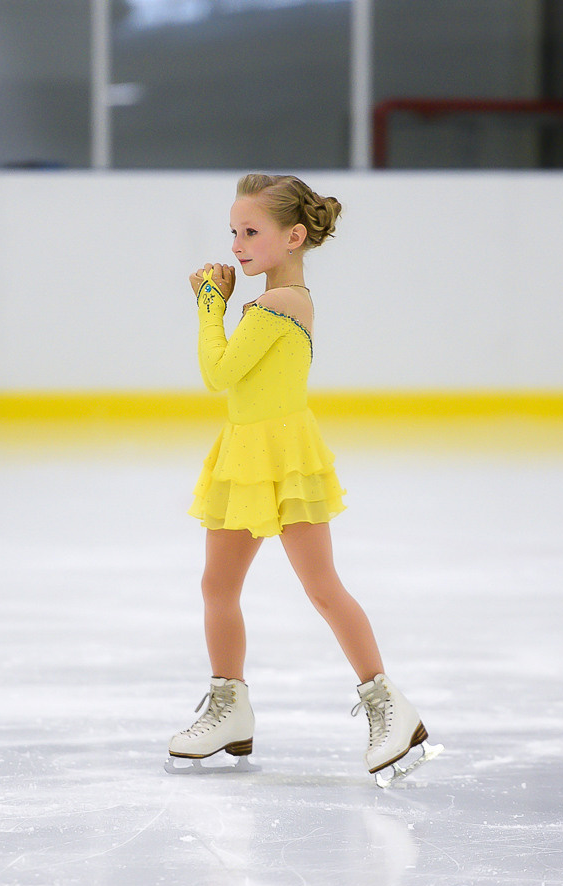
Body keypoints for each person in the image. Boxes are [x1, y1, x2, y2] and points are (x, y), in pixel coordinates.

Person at [166, 174, 440, 784]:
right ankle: (229, 707)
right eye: (233, 232)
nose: (237, 244)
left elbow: (218, 372)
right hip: (244, 453)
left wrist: (211, 302)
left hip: (283, 456)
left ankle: (389, 705)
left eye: (251, 231)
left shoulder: (279, 303)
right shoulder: (268, 302)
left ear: (293, 236)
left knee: (321, 586)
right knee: (218, 585)